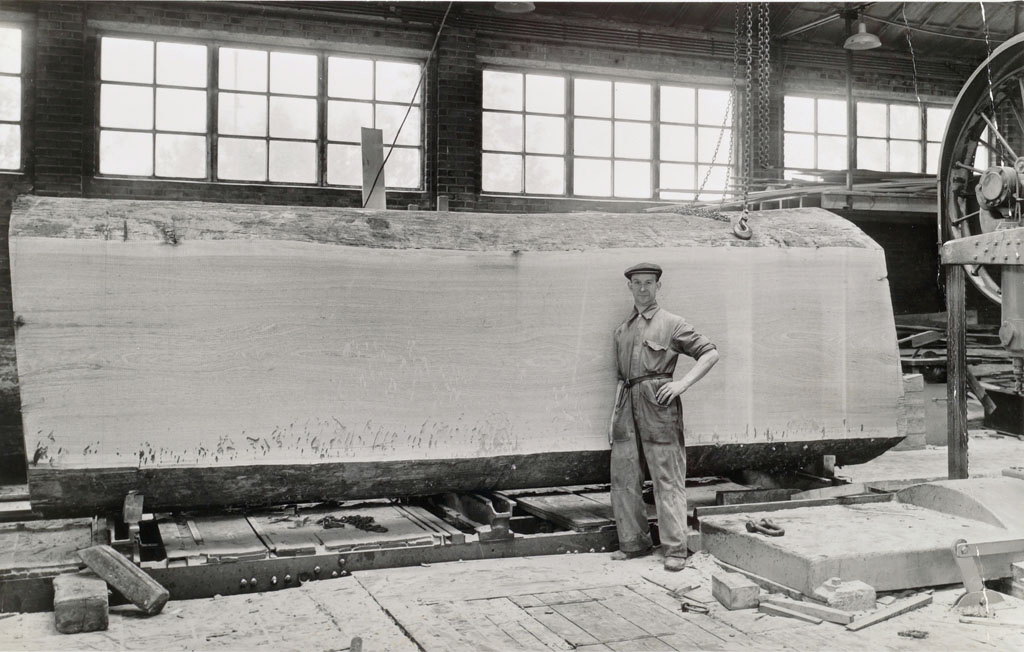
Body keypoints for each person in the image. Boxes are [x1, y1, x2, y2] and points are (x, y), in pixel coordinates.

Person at [609, 262, 719, 572]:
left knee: (667, 476)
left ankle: (675, 549)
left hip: (658, 405)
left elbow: (710, 353)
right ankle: (633, 543)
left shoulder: (672, 323)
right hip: (625, 405)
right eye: (637, 283)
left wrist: (682, 384)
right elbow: (620, 378)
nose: (643, 288)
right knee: (624, 476)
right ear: (630, 287)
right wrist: (614, 416)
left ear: (659, 286)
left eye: (649, 282)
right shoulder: (622, 330)